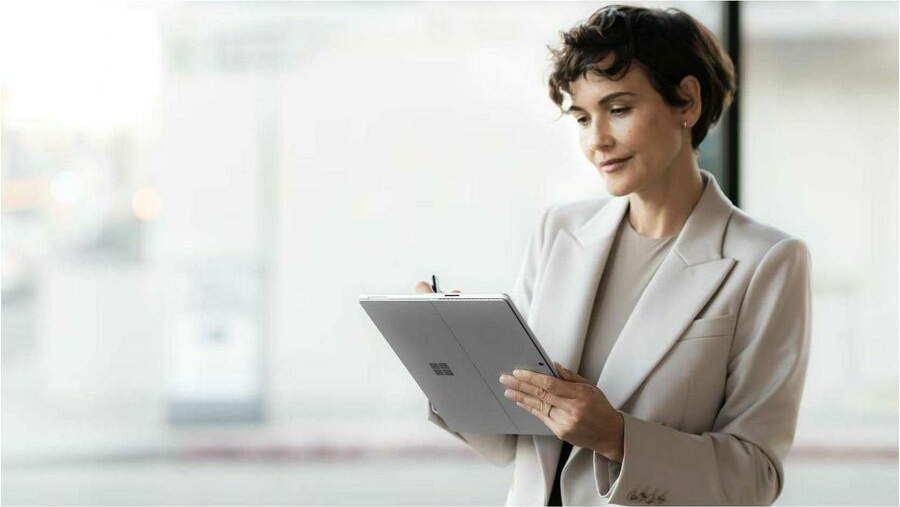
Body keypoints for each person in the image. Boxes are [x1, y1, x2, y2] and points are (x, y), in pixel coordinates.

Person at [417, 4, 811, 506]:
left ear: (687, 102)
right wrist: (457, 361)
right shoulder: (559, 230)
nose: (597, 140)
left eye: (618, 109)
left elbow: (754, 477)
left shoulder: (767, 261)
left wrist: (616, 436)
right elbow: (514, 437)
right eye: (583, 117)